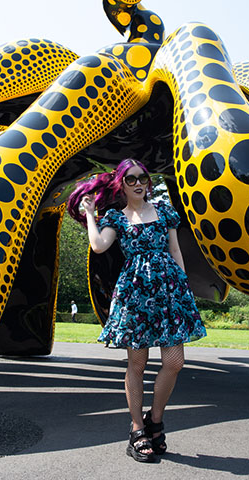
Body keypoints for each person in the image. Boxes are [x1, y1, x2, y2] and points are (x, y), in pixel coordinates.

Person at [67, 158, 206, 462]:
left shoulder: (165, 211)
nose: (139, 183)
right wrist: (90, 214)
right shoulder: (116, 218)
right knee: (137, 364)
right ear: (121, 184)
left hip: (169, 291)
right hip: (135, 295)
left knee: (174, 361)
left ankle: (155, 420)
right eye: (131, 179)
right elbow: (99, 246)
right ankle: (137, 429)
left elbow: (175, 251)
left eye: (142, 177)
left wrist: (183, 290)